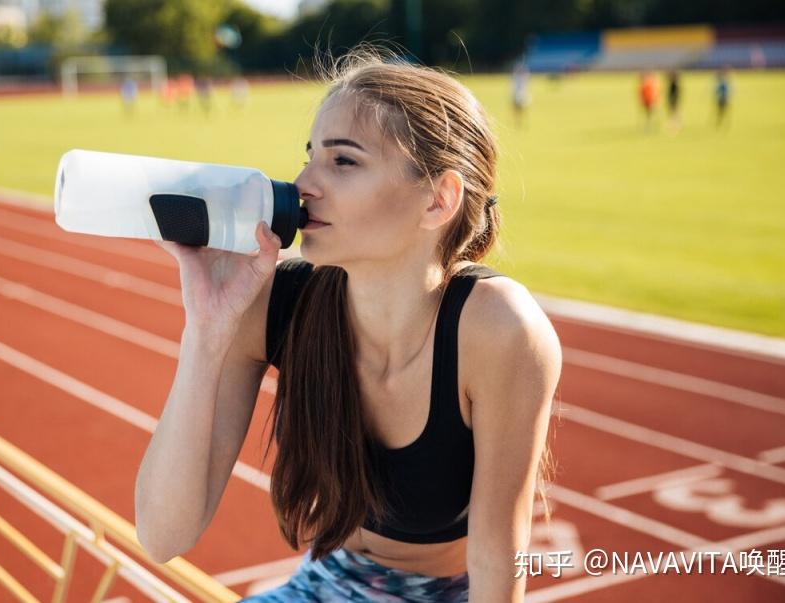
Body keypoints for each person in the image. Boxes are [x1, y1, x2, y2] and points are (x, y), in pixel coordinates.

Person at [134, 47, 562, 602]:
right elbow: (163, 534)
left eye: (343, 161)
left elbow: (497, 557)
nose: (303, 182)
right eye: (309, 155)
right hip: (329, 581)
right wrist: (207, 331)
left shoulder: (499, 329)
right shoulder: (274, 302)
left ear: (438, 199)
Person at [511, 63, 530, 129]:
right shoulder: (516, 78)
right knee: (516, 110)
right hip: (517, 95)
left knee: (520, 110)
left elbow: (527, 75)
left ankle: (520, 122)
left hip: (521, 95)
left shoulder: (521, 78)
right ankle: (518, 123)